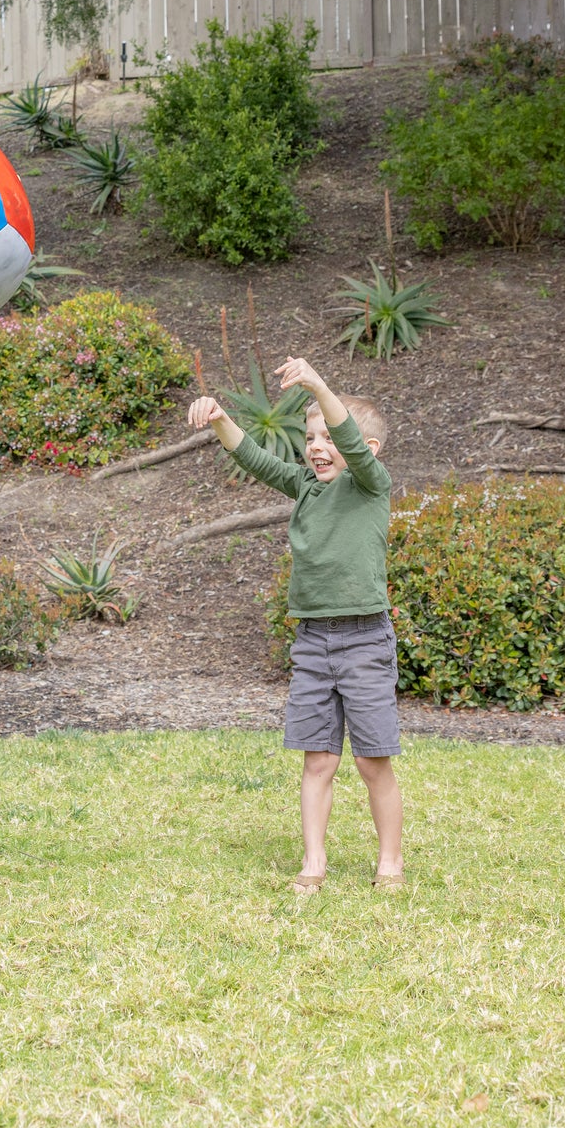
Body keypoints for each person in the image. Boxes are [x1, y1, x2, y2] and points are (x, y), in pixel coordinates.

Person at [187, 358, 404, 894]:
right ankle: (313, 864)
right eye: (309, 437)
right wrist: (218, 418)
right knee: (318, 759)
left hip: (365, 641)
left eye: (327, 437)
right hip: (313, 643)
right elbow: (256, 458)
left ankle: (390, 866)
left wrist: (318, 384)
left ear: (364, 450)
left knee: (373, 761)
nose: (316, 446)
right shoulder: (307, 487)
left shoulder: (371, 484)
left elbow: (351, 441)